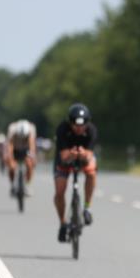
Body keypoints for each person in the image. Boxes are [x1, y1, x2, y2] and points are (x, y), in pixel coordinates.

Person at [53, 103, 98, 243]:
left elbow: (90, 155)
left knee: (91, 173)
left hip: (83, 157)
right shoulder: (62, 129)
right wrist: (72, 155)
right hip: (65, 158)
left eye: (82, 125)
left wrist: (84, 155)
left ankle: (87, 207)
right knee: (60, 191)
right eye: (76, 125)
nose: (79, 129)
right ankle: (62, 223)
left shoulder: (91, 130)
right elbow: (64, 156)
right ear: (70, 123)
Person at [5, 119, 36, 197]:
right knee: (12, 167)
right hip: (15, 148)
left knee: (30, 164)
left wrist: (32, 156)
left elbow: (32, 144)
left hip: (26, 149)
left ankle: (27, 185)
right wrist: (10, 156)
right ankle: (12, 185)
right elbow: (10, 144)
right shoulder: (12, 128)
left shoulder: (31, 128)